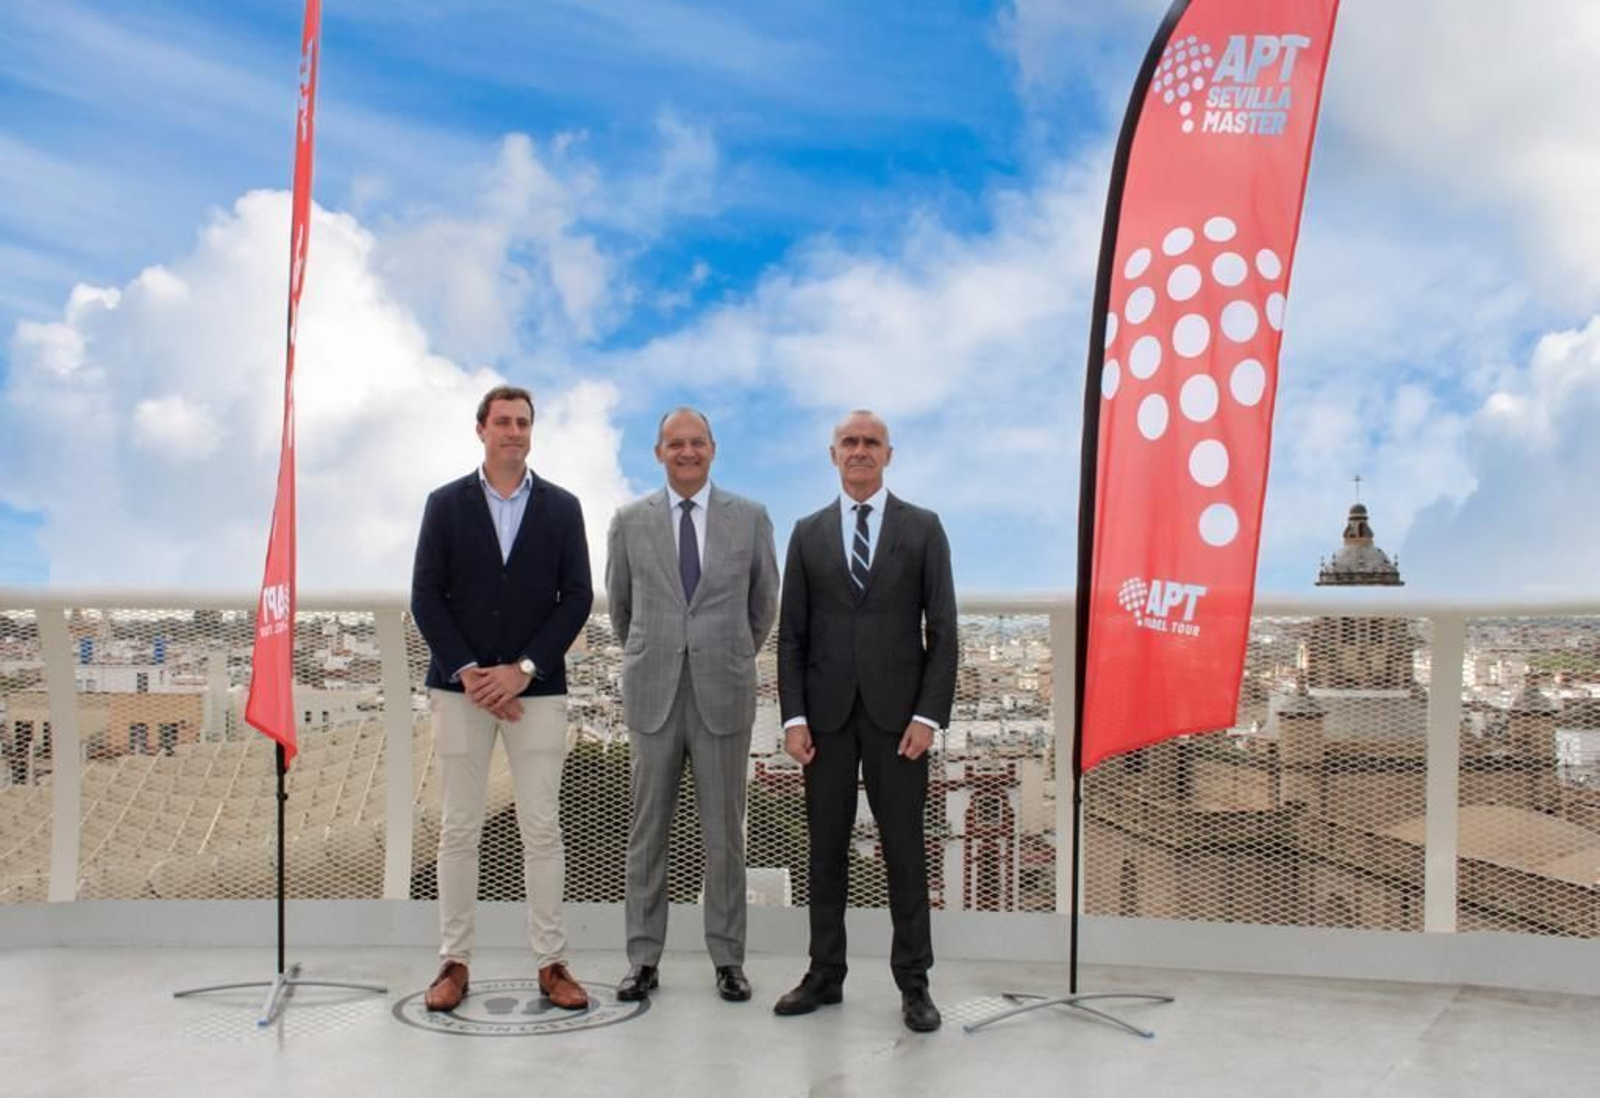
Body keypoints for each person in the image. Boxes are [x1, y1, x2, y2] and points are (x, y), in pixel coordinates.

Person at [411, 384, 594, 1013]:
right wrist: (469, 672)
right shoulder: (444, 504)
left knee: (541, 828)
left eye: (523, 423)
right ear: (481, 429)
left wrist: (522, 670)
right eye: (503, 422)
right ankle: (454, 962)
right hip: (459, 690)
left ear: (531, 432)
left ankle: (552, 962)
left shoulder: (563, 508)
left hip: (535, 691)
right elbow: (426, 596)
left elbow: (577, 598)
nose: (513, 432)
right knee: (459, 828)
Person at [773, 409, 957, 1033]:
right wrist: (793, 718)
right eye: (849, 442)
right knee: (825, 851)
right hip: (823, 721)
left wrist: (929, 716)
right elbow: (791, 637)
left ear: (888, 454)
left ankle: (914, 984)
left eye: (870, 443)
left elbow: (946, 631)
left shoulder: (924, 529)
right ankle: (825, 974)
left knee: (905, 851)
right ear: (833, 455)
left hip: (898, 720)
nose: (859, 451)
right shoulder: (806, 532)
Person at [606, 407, 779, 1003]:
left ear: (713, 449)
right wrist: (661, 651)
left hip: (723, 692)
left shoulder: (751, 519)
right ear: (658, 453)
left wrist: (723, 653)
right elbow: (622, 611)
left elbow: (764, 606)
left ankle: (729, 960)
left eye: (696, 442)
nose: (687, 452)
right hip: (653, 692)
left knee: (725, 836)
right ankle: (643, 959)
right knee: (646, 833)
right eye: (675, 444)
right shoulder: (629, 522)